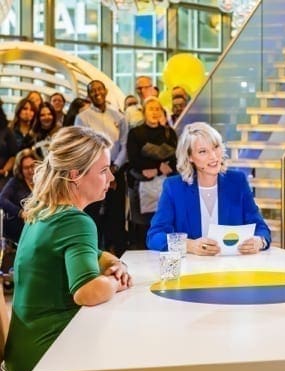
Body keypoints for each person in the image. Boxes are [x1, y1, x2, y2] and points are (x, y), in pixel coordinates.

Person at [3, 126, 132, 371]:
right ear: (75, 175)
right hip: (50, 354)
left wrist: (113, 262)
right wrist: (115, 283)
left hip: (23, 354)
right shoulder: (76, 221)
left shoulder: (43, 212)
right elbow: (87, 292)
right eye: (103, 170)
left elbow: (90, 253)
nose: (110, 178)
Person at [147, 122, 271, 255]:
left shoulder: (237, 182)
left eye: (215, 147)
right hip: (191, 271)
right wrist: (189, 245)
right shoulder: (174, 187)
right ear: (190, 157)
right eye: (202, 151)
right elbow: (154, 237)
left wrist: (259, 241)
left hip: (231, 270)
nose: (213, 156)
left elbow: (261, 228)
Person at [75, 80, 129, 256]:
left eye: (100, 89)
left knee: (116, 215)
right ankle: (95, 253)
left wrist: (114, 168)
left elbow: (124, 144)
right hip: (92, 174)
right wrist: (101, 170)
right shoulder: (83, 117)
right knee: (94, 214)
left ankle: (117, 254)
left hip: (116, 172)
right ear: (88, 95)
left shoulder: (119, 117)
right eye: (93, 90)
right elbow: (82, 146)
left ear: (105, 91)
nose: (97, 92)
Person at [127, 97, 177, 248]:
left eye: (158, 109)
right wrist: (157, 166)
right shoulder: (135, 133)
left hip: (166, 184)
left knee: (165, 220)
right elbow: (133, 158)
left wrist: (163, 168)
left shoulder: (170, 133)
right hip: (142, 184)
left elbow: (176, 158)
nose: (155, 112)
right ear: (144, 112)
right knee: (143, 225)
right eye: (151, 109)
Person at [0, 149, 39, 243]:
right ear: (20, 169)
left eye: (32, 166)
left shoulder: (41, 180)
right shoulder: (15, 182)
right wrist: (20, 213)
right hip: (19, 230)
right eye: (26, 168)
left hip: (37, 225)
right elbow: (1, 199)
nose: (30, 170)